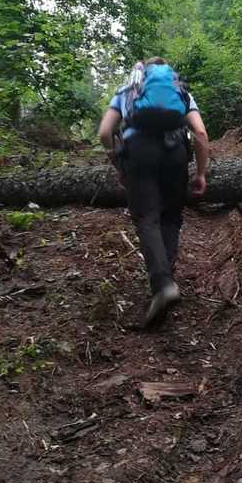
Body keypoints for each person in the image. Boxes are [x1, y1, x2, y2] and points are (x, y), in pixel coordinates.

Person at [98, 58, 209, 326]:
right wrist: (201, 173)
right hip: (175, 154)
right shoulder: (181, 91)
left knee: (148, 218)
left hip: (138, 153)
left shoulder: (127, 91)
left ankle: (162, 285)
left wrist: (119, 162)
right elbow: (201, 133)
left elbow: (104, 132)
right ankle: (167, 279)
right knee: (170, 218)